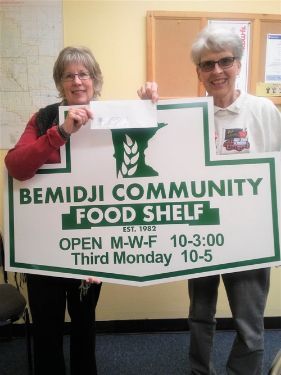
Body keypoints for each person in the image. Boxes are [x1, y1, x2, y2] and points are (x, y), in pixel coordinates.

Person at [138, 25, 281, 375]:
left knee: (249, 323)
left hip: (249, 237)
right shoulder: (189, 115)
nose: (216, 71)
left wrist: (275, 235)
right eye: (207, 64)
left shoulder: (262, 111)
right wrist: (143, 105)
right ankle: (200, 371)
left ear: (238, 63)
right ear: (198, 72)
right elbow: (156, 155)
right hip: (200, 231)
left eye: (225, 61)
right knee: (200, 316)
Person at [5, 46, 104, 375]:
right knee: (46, 330)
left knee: (84, 327)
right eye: (68, 75)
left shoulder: (114, 116)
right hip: (44, 248)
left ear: (95, 80)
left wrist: (149, 104)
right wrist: (60, 132)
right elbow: (17, 166)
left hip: (90, 247)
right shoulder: (45, 118)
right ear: (59, 83)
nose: (77, 81)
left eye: (83, 74)